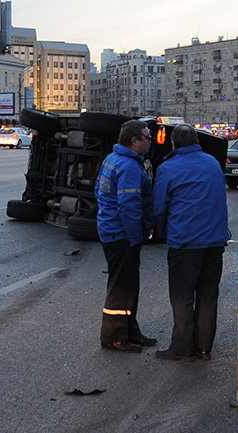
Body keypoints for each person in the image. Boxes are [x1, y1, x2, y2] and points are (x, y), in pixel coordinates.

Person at [153, 124, 229, 361]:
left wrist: (161, 232)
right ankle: (204, 348)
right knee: (208, 295)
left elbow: (158, 208)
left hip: (185, 243)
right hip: (215, 243)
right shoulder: (212, 163)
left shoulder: (168, 168)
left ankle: (182, 348)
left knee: (183, 295)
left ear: (173, 144)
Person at [95, 119, 157, 353]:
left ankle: (131, 331)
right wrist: (136, 237)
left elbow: (98, 192)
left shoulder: (113, 159)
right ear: (134, 141)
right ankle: (114, 337)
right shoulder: (129, 166)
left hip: (112, 231)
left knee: (129, 285)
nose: (150, 142)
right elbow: (129, 207)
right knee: (121, 288)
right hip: (122, 236)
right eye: (146, 137)